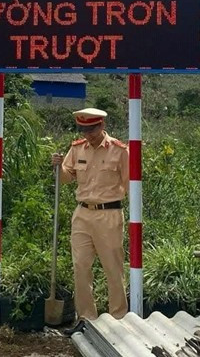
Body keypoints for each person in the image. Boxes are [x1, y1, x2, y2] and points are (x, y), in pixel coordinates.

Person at [51, 107, 129, 322]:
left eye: (92, 129)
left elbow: (129, 184)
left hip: (109, 214)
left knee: (113, 268)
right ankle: (86, 319)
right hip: (82, 214)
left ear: (102, 126)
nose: (88, 134)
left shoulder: (120, 150)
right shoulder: (77, 149)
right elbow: (67, 178)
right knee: (80, 267)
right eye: (84, 129)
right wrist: (59, 168)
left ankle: (119, 318)